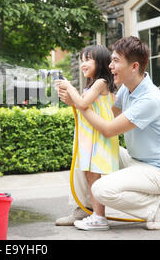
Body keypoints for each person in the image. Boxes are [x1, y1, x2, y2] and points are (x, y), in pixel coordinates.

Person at [58, 36, 160, 230]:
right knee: (86, 149)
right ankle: (87, 208)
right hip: (134, 161)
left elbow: (107, 129)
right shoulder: (126, 91)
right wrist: (78, 103)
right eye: (111, 60)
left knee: (101, 189)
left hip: (158, 172)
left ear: (134, 66)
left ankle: (156, 205)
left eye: (115, 61)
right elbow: (103, 117)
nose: (110, 65)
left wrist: (78, 100)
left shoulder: (149, 99)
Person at [55, 45, 119, 231]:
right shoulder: (92, 85)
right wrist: (70, 98)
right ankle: (95, 214)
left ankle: (99, 216)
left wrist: (69, 87)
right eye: (82, 60)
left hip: (97, 137)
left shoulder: (100, 83)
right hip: (89, 138)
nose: (83, 64)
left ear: (100, 63)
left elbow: (83, 103)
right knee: (90, 175)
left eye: (88, 60)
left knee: (94, 176)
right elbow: (82, 106)